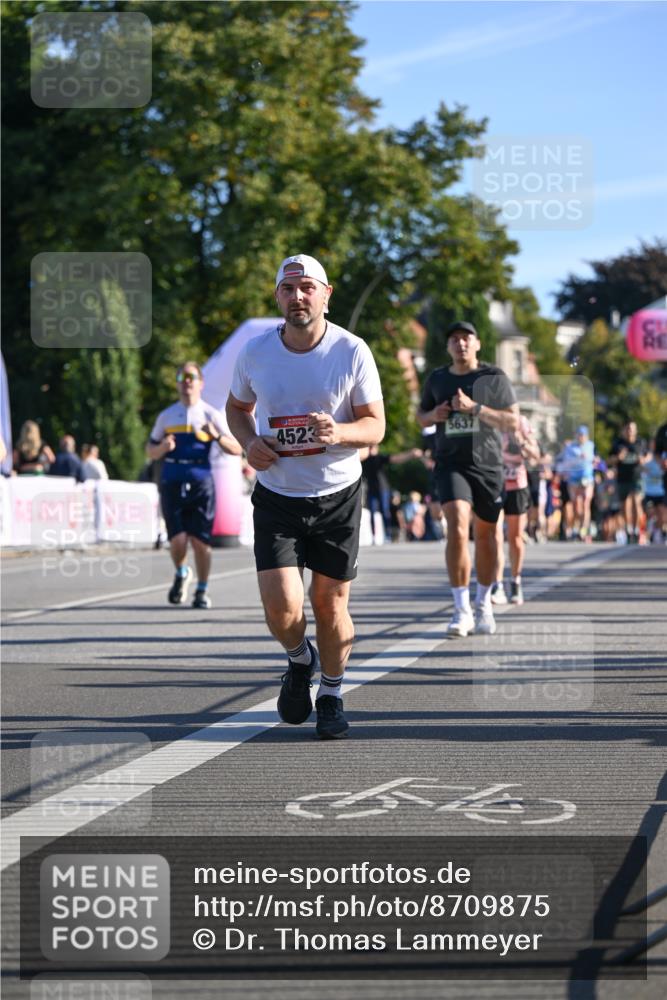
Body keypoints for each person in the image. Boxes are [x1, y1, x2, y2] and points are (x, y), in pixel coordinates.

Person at [226, 253, 384, 740]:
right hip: (277, 495)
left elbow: (376, 425)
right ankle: (300, 660)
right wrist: (249, 441)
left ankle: (332, 693)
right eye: (289, 289)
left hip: (336, 494)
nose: (298, 297)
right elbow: (236, 409)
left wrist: (338, 432)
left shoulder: (352, 350)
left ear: (326, 294)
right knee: (282, 609)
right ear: (278, 296)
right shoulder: (255, 352)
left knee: (330, 605)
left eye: (307, 288)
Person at [417, 320, 519, 637]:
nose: (460, 343)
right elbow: (421, 416)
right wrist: (435, 416)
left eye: (466, 338)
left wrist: (475, 408)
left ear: (477, 344)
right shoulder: (437, 378)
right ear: (448, 347)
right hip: (450, 463)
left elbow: (512, 421)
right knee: (458, 527)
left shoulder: (493, 378)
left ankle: (483, 602)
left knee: (487, 536)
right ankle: (460, 609)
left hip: (487, 465)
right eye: (454, 339)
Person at [148, 361, 242, 608]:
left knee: (201, 542)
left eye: (191, 377)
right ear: (177, 383)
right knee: (177, 541)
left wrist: (217, 435)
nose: (186, 381)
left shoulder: (211, 414)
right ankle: (181, 572)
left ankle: (201, 589)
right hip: (172, 480)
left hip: (201, 482)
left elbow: (236, 448)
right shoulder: (167, 416)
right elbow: (150, 450)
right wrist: (162, 448)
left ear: (201, 383)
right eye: (181, 376)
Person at [491, 414, 540, 606]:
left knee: (515, 538)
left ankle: (516, 581)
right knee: (495, 535)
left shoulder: (522, 421)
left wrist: (522, 443)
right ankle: (497, 584)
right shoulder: (489, 417)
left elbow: (536, 455)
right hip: (495, 483)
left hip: (517, 485)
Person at [609, 421, 649, 543]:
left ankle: (639, 531)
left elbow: (649, 455)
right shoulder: (618, 443)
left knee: (637, 503)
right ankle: (629, 529)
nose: (630, 431)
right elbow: (609, 460)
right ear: (624, 430)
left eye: (632, 429)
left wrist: (644, 460)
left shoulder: (640, 442)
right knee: (626, 505)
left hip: (637, 477)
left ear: (636, 430)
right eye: (628, 429)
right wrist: (618, 458)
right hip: (623, 478)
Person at [560, 425, 596, 541]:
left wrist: (594, 461)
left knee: (586, 503)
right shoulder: (571, 447)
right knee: (577, 505)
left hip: (587, 478)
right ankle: (577, 524)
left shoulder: (591, 446)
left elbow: (596, 459)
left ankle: (584, 528)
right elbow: (566, 462)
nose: (581, 437)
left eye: (583, 435)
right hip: (574, 479)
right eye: (579, 435)